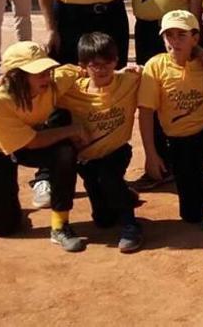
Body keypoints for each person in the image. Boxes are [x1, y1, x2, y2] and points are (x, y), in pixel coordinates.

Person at [0, 41, 84, 251]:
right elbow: (33, 143)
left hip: (29, 135)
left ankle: (59, 227)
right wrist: (72, 130)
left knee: (64, 153)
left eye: (47, 70)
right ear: (16, 76)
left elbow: (84, 71)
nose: (47, 77)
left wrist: (128, 70)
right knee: (4, 228)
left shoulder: (55, 81)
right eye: (38, 73)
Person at [56, 32, 143, 253]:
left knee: (109, 178)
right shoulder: (72, 92)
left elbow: (155, 70)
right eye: (95, 65)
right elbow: (41, 87)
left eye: (108, 63)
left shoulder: (129, 80)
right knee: (103, 220)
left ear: (117, 61)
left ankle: (130, 224)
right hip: (86, 159)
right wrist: (7, 79)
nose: (103, 70)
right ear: (83, 66)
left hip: (117, 151)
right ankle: (123, 195)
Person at [138, 10, 203, 223]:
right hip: (179, 138)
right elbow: (146, 113)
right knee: (191, 215)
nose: (174, 41)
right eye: (169, 35)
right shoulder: (154, 67)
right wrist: (151, 154)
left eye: (181, 35)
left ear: (195, 38)